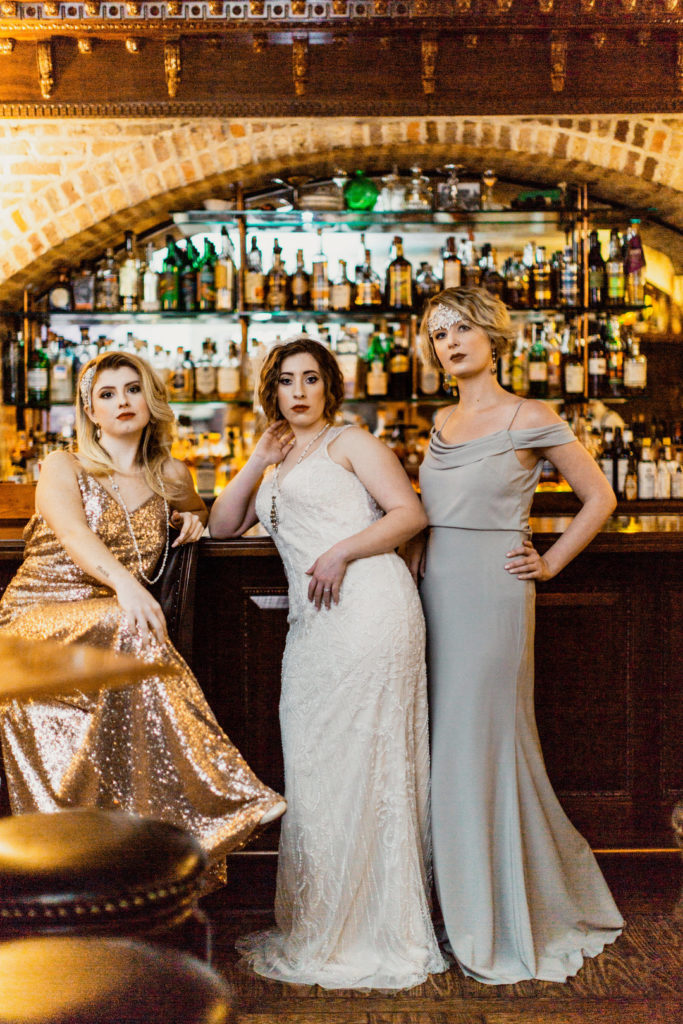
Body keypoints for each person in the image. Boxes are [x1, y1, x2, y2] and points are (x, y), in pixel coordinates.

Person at [209, 336, 447, 990]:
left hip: (370, 611)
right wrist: (256, 459)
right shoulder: (280, 455)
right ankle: (323, 917)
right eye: (287, 381)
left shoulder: (352, 441)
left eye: (311, 379)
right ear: (272, 391)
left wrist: (342, 550)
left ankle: (377, 927)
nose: (300, 391)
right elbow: (223, 525)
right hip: (312, 628)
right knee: (316, 768)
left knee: (368, 762)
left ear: (329, 385)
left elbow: (409, 513)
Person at [410, 287, 624, 985]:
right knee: (447, 742)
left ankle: (492, 919)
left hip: (494, 593)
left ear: (493, 338)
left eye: (463, 329)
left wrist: (551, 560)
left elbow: (600, 497)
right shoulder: (439, 420)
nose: (451, 341)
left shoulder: (530, 414)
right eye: (439, 333)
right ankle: (460, 906)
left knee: (480, 743)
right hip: (432, 588)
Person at [0, 351, 285, 866]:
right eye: (106, 395)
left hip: (114, 629)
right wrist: (127, 587)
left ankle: (141, 856)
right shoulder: (63, 465)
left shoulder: (172, 475)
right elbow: (72, 532)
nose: (121, 401)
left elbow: (216, 523)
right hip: (33, 621)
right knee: (126, 619)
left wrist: (193, 520)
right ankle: (227, 789)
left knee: (125, 625)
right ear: (90, 411)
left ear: (151, 400)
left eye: (132, 389)